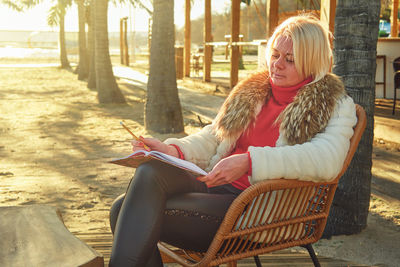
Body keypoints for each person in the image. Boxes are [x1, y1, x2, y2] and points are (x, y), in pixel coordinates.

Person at [108, 14, 357, 267]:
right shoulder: (254, 91)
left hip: (258, 210)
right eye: (274, 55)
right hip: (214, 185)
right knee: (149, 172)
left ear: (313, 63)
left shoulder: (334, 105)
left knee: (125, 212)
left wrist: (250, 161)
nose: (277, 64)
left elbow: (327, 159)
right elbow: (214, 136)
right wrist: (172, 149)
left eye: (290, 60)